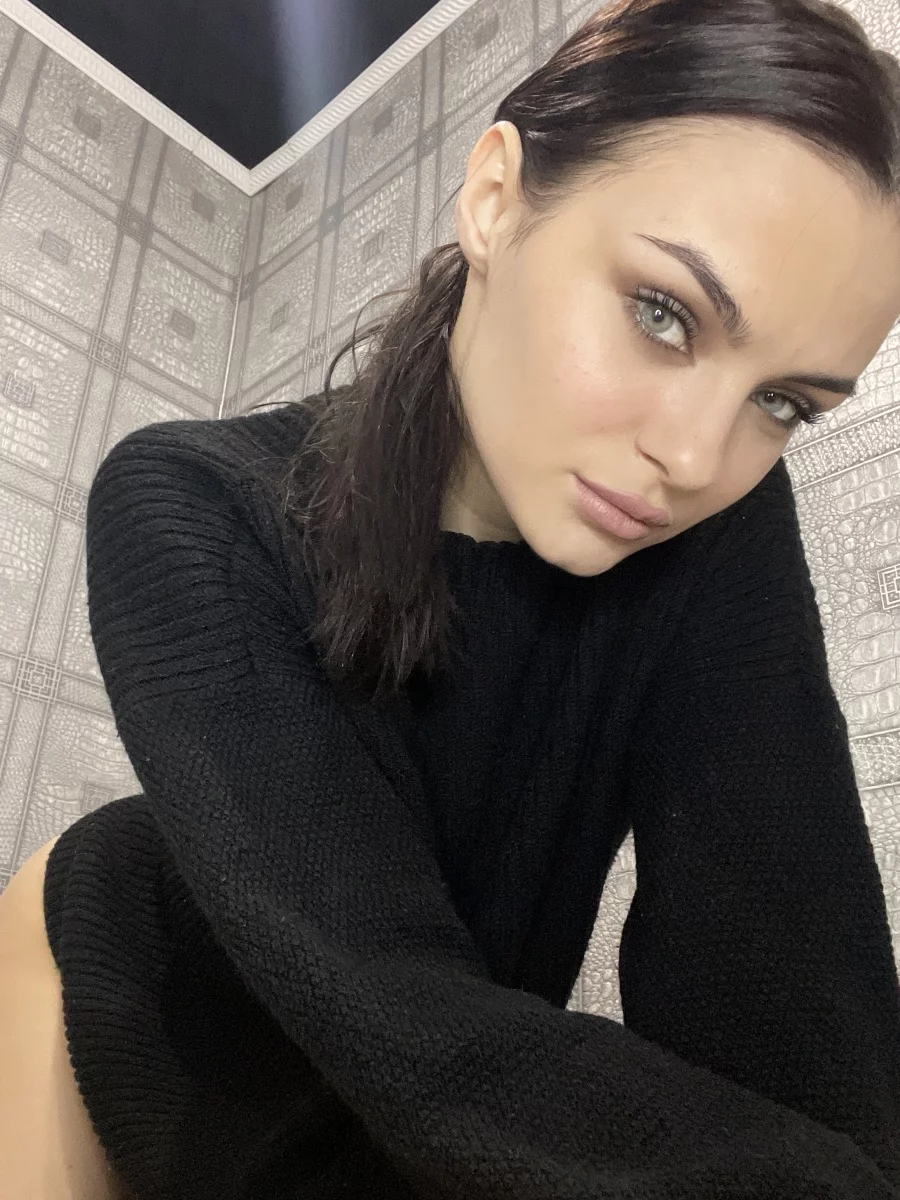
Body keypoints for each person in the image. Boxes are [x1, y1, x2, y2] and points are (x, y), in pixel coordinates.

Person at [2, 0, 900, 1196]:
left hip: (428, 1112)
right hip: (132, 1023)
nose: (695, 455)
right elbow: (402, 1019)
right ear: (494, 200)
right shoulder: (193, 502)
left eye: (783, 403)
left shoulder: (713, 528)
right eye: (662, 314)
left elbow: (797, 996)